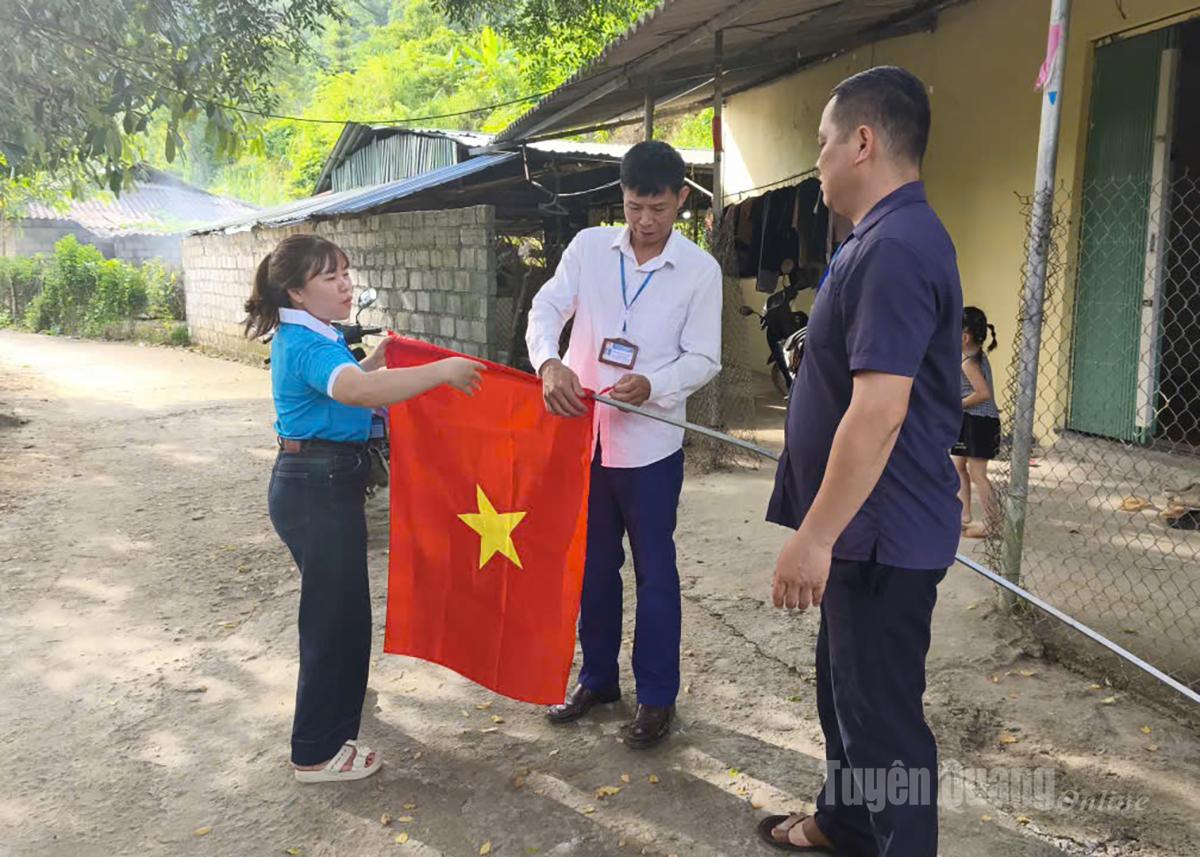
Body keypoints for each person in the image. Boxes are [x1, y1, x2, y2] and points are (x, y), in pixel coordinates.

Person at [757, 67, 962, 855]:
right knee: (844, 693)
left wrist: (814, 536)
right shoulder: (877, 238)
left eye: (823, 142)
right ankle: (843, 822)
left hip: (880, 534)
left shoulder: (896, 247)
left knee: (882, 728)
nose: (817, 160)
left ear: (863, 142)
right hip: (864, 532)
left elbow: (880, 411)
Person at [244, 233, 484, 783]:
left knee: (341, 614)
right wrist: (441, 371)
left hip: (321, 483)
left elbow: (351, 382)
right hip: (317, 487)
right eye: (330, 277)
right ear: (297, 292)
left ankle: (335, 710)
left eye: (346, 273)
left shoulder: (316, 332)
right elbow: (355, 392)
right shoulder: (306, 342)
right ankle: (316, 751)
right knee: (333, 622)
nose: (346, 285)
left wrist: (376, 360)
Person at [526, 141, 722, 749]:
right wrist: (549, 362)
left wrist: (655, 384)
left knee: (654, 571)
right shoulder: (588, 249)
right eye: (635, 207)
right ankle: (598, 679)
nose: (645, 221)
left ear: (681, 199)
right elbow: (546, 307)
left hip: (650, 447)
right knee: (592, 565)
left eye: (658, 208)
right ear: (623, 197)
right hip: (585, 440)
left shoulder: (699, 271)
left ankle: (657, 696)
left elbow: (705, 357)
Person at [954, 306, 1001, 540]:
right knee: (958, 466)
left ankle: (994, 524)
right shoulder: (976, 357)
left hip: (979, 421)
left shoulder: (969, 363)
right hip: (969, 420)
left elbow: (983, 393)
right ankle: (963, 517)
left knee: (977, 473)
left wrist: (957, 404)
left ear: (965, 337)